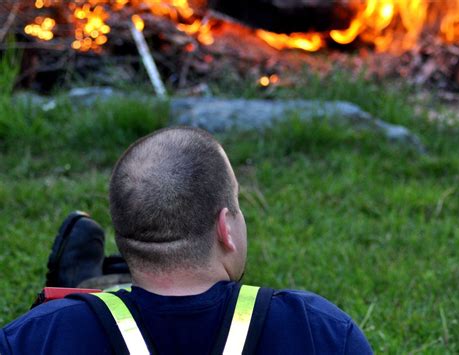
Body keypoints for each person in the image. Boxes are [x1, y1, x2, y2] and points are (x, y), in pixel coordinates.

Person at [0, 127, 373, 354]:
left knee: (82, 312)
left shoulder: (35, 338)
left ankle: (89, 286)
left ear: (126, 235)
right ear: (225, 229)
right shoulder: (320, 331)